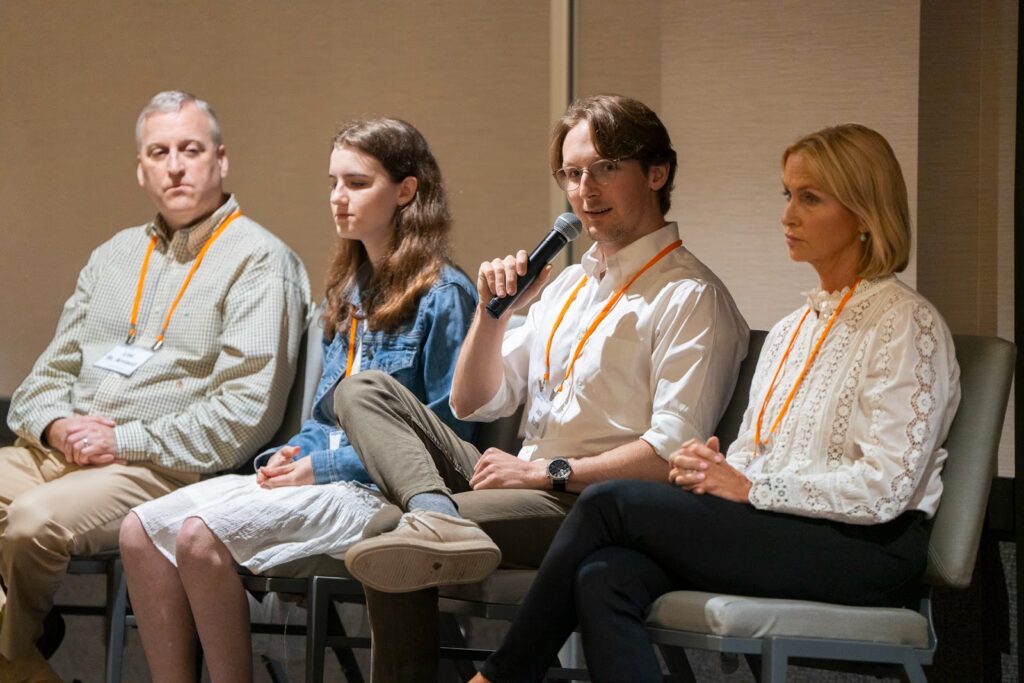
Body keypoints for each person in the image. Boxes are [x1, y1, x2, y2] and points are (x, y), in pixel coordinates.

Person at [469, 123, 962, 683]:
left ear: (865, 214)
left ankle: (499, 677)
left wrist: (751, 487)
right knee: (606, 575)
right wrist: (715, 471)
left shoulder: (907, 322)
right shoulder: (791, 328)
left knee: (610, 504)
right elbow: (754, 454)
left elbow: (887, 487)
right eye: (787, 195)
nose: (788, 215)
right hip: (779, 527)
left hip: (869, 548)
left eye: (810, 198)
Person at [335, 94, 749, 681]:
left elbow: (669, 456)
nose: (585, 190)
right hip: (521, 476)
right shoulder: (567, 286)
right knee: (364, 391)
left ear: (657, 173)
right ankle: (435, 513)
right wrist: (492, 314)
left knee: (387, 533)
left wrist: (543, 471)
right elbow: (471, 401)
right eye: (572, 173)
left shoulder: (690, 296)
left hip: (587, 503)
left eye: (605, 168)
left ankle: (431, 525)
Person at [118, 117, 477, 682]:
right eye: (333, 182)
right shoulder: (349, 290)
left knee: (197, 535)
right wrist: (292, 455)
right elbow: (321, 419)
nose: (338, 198)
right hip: (323, 474)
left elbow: (447, 440)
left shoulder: (445, 295)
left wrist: (323, 464)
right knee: (138, 530)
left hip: (382, 491)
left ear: (406, 191)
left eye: (357, 183)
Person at [0, 90, 310, 681]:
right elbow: (44, 378)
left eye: (190, 149)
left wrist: (125, 441)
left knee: (31, 524)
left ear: (221, 161)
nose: (175, 165)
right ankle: (24, 642)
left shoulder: (260, 261)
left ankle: (15, 660)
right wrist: (58, 425)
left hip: (158, 467)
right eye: (159, 152)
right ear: (140, 170)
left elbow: (246, 413)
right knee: (28, 510)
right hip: (58, 452)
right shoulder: (114, 255)